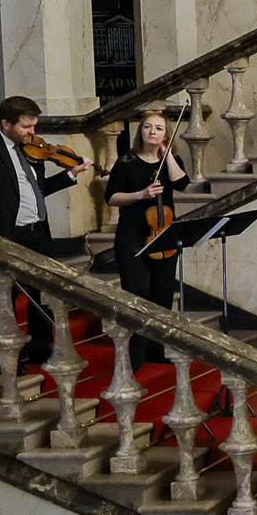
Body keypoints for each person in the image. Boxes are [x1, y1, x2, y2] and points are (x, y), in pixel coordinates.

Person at [0, 95, 93, 371]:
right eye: (26, 127)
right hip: (8, 234)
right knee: (6, 295)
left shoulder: (30, 149)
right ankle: (5, 357)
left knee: (42, 292)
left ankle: (39, 347)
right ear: (5, 123)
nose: (32, 132)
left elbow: (36, 189)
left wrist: (71, 174)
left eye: (34, 126)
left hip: (38, 232)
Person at [104, 111, 189, 367]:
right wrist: (140, 194)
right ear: (140, 132)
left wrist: (167, 156)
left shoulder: (171, 161)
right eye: (147, 127)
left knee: (162, 295)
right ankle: (135, 356)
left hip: (163, 235)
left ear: (166, 134)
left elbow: (182, 183)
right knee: (138, 295)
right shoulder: (126, 162)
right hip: (132, 237)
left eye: (159, 128)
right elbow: (111, 197)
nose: (152, 132)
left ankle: (155, 351)